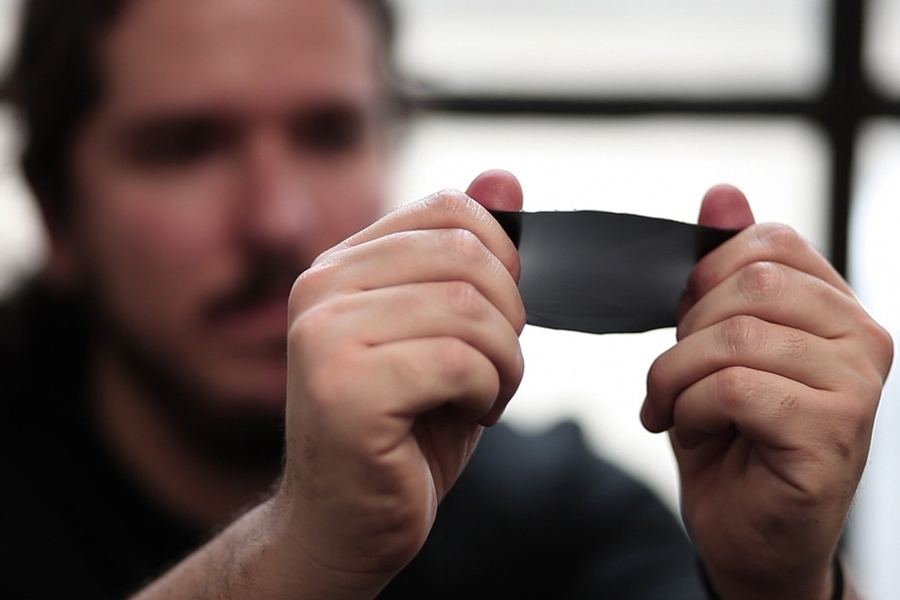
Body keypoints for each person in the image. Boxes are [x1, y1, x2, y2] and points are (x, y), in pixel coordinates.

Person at [0, 0, 890, 598]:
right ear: (56, 211)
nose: (277, 220)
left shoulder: (562, 527)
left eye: (330, 132)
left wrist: (786, 588)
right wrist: (298, 556)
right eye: (184, 146)